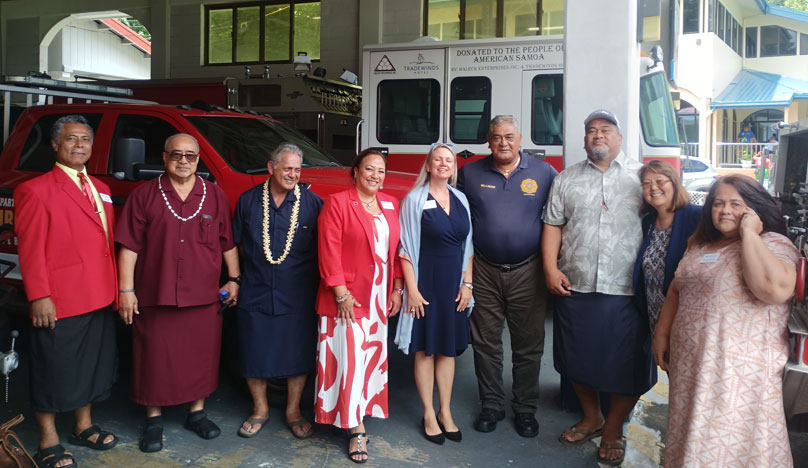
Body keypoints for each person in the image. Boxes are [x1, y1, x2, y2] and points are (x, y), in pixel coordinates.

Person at [653, 175, 798, 468]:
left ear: (755, 209)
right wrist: (662, 334)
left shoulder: (774, 244)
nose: (724, 210)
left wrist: (750, 233)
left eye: (736, 204)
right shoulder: (702, 245)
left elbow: (772, 289)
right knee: (691, 434)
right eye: (718, 203)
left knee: (725, 443)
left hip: (736, 375)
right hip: (692, 369)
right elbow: (677, 288)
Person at [115, 133, 241, 453]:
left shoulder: (213, 195)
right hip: (155, 294)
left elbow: (227, 243)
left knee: (200, 357)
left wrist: (235, 279)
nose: (183, 161)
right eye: (176, 155)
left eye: (190, 156)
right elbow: (129, 246)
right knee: (153, 359)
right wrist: (126, 290)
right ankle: (153, 419)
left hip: (202, 295)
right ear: (164, 156)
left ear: (198, 160)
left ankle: (196, 414)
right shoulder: (144, 195)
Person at [543, 109, 656, 465]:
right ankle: (592, 418)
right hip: (576, 285)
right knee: (577, 358)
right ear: (584, 140)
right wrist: (549, 268)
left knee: (628, 365)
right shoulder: (566, 179)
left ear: (620, 138)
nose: (598, 135)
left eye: (605, 130)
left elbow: (668, 217)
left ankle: (613, 429)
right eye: (591, 130)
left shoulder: (642, 177)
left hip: (627, 289)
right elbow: (553, 225)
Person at [14, 115, 119, 468]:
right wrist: (39, 295)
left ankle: (83, 426)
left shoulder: (101, 187)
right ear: (55, 145)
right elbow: (30, 248)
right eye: (72, 139)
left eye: (85, 139)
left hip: (101, 293)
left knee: (90, 365)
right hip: (59, 298)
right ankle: (48, 438)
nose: (79, 145)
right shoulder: (35, 189)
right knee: (53, 368)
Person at [457, 115, 557, 437]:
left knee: (528, 345)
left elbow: (560, 218)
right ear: (488, 140)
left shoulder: (544, 173)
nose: (503, 143)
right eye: (497, 137)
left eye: (509, 137)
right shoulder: (470, 173)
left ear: (520, 138)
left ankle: (525, 408)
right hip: (484, 270)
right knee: (486, 344)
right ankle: (492, 405)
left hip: (528, 272)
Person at [314, 149, 404, 463]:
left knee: (369, 363)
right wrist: (340, 294)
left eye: (381, 171)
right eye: (369, 169)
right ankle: (356, 430)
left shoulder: (391, 203)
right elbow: (329, 252)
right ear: (355, 171)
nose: (375, 176)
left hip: (379, 299)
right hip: (348, 299)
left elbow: (396, 253)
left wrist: (397, 287)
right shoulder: (337, 202)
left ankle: (359, 408)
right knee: (350, 362)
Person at [232, 143, 322, 439]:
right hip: (256, 289)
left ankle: (293, 410)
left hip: (298, 293)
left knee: (298, 353)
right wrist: (236, 278)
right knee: (253, 351)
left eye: (297, 169)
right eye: (287, 168)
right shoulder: (247, 201)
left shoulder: (312, 203)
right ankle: (260, 409)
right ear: (271, 168)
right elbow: (235, 244)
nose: (293, 175)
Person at [395, 143, 474, 444]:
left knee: (448, 349)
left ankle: (445, 411)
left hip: (453, 287)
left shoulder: (461, 199)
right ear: (428, 165)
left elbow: (469, 248)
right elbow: (405, 250)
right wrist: (411, 290)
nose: (444, 164)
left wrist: (467, 285)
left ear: (454, 167)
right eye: (438, 159)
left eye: (449, 160)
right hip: (425, 285)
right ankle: (428, 412)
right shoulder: (414, 200)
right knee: (426, 350)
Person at [632, 160, 701, 335]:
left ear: (674, 182)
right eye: (646, 183)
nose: (653, 187)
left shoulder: (696, 217)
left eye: (660, 181)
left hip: (686, 320)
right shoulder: (648, 222)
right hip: (654, 317)